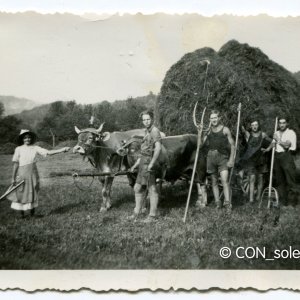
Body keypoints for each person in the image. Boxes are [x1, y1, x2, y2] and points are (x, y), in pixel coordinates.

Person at [7, 129, 70, 218]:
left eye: (29, 138)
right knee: (20, 193)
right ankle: (22, 215)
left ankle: (32, 214)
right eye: (25, 138)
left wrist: (62, 149)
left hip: (32, 174)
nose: (27, 139)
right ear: (22, 139)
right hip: (21, 174)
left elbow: (49, 152)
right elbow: (16, 164)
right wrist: (13, 178)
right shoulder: (18, 149)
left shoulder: (35, 148)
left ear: (31, 139)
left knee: (32, 192)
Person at [129, 110, 162, 222]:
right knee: (137, 188)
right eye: (144, 120)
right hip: (143, 162)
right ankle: (136, 212)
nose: (146, 122)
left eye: (148, 119)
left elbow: (158, 148)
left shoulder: (154, 131)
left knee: (152, 189)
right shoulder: (146, 131)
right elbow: (144, 151)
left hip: (149, 163)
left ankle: (152, 215)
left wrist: (152, 164)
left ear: (152, 119)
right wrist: (135, 165)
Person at [203, 110, 235, 212]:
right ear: (209, 120)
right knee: (214, 181)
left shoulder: (225, 130)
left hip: (222, 158)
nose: (214, 120)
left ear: (219, 118)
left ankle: (227, 204)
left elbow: (233, 145)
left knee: (225, 180)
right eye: (212, 118)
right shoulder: (207, 131)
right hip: (211, 157)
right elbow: (200, 145)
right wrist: (200, 134)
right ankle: (218, 203)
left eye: (215, 117)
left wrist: (231, 159)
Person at [262, 116, 297, 206]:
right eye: (280, 123)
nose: (281, 125)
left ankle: (292, 203)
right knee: (279, 180)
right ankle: (282, 201)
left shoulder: (291, 133)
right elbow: (273, 143)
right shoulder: (276, 132)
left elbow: (286, 145)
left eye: (283, 123)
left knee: (290, 180)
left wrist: (278, 139)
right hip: (277, 157)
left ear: (287, 124)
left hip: (286, 156)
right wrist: (267, 149)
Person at [239, 119, 272, 203]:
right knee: (252, 179)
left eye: (256, 125)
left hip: (261, 159)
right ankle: (251, 199)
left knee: (260, 179)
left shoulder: (263, 134)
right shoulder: (248, 134)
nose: (254, 126)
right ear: (250, 126)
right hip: (251, 161)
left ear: (258, 125)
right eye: (253, 125)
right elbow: (242, 128)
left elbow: (273, 141)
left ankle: (258, 197)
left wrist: (268, 149)